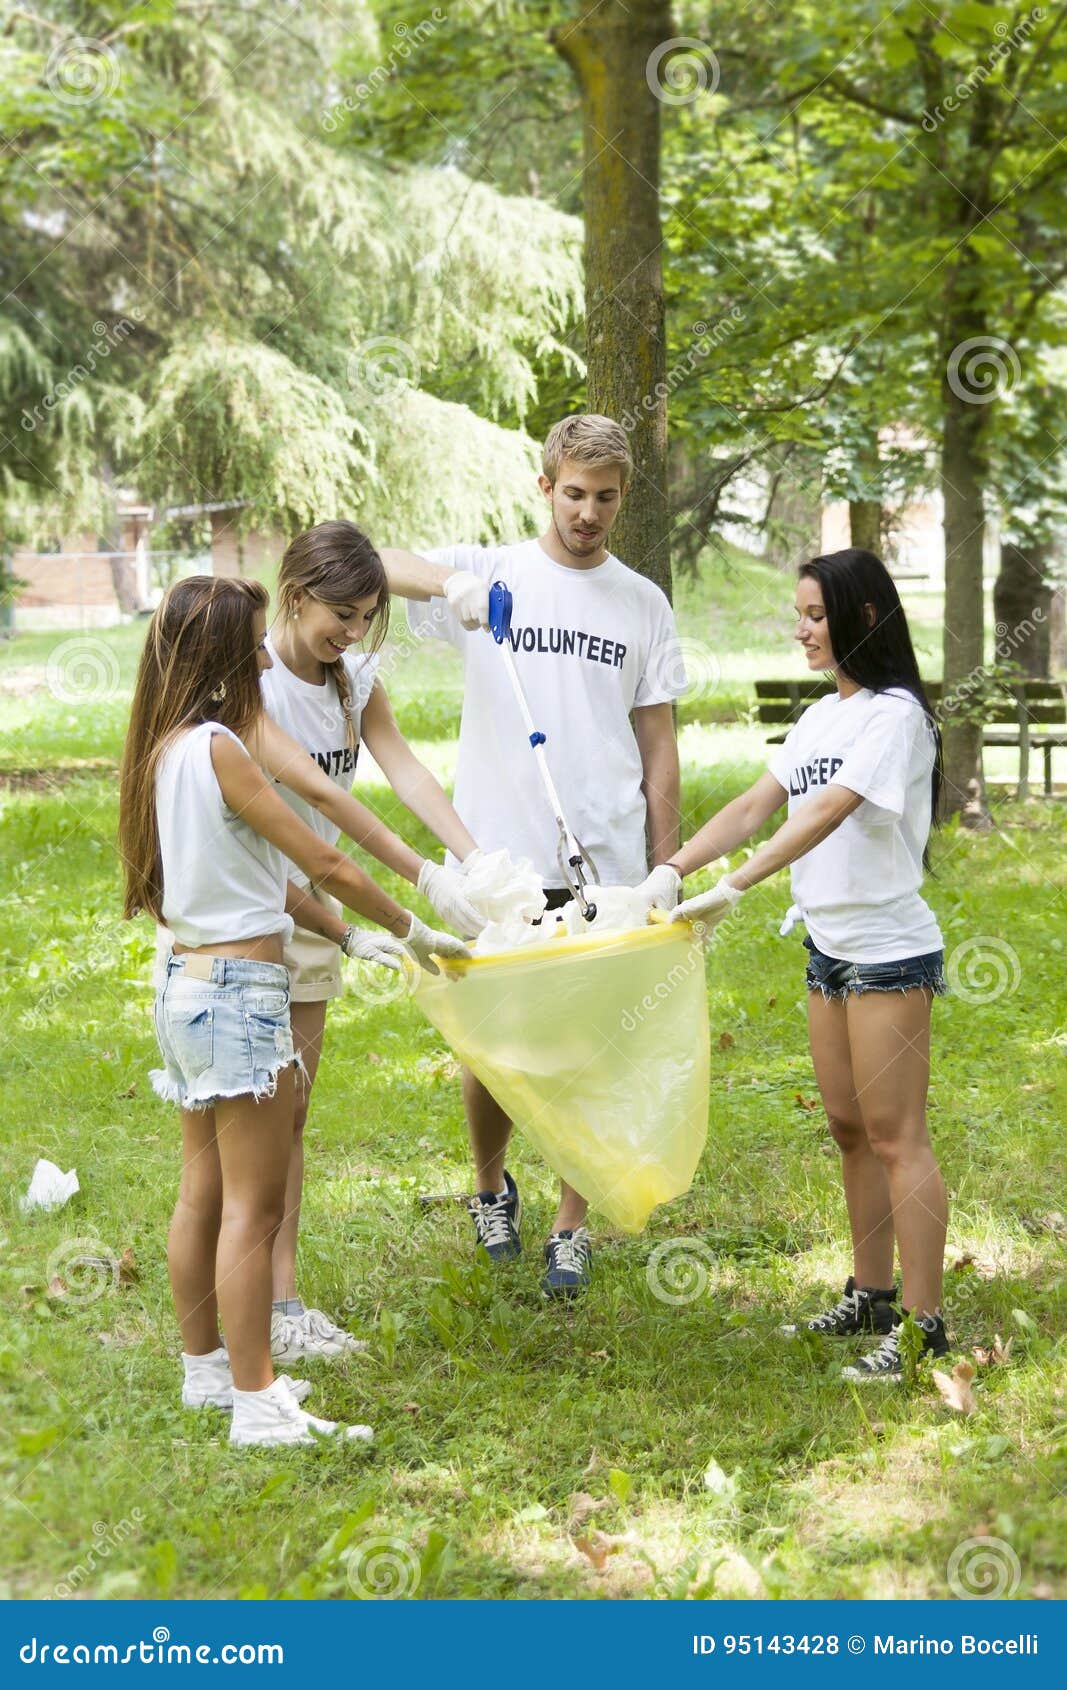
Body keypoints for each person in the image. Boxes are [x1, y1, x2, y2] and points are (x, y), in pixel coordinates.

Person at [119, 576, 468, 1448]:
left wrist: (344, 940)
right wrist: (411, 926)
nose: (255, 656)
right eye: (243, 643)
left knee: (203, 1189)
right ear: (218, 656)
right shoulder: (227, 748)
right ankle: (258, 1402)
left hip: (188, 989)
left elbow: (265, 879)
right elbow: (324, 857)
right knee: (255, 1208)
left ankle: (207, 1372)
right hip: (241, 998)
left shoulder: (168, 748)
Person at [380, 414, 687, 1299]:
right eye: (574, 493)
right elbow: (364, 558)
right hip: (497, 858)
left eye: (605, 498)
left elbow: (657, 741)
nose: (588, 513)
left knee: (588, 1044)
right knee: (494, 1042)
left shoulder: (640, 603)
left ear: (621, 499)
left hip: (605, 854)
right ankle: (488, 1187)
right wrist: (453, 587)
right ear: (545, 485)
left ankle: (570, 1227)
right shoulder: (496, 574)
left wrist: (664, 867)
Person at [661, 548, 950, 1381]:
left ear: (862, 617)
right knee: (848, 1129)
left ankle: (925, 1325)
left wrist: (738, 884)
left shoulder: (893, 717)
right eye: (797, 615)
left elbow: (829, 809)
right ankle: (870, 1295)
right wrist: (673, 869)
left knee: (897, 1137)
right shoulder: (825, 717)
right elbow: (759, 802)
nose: (800, 631)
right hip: (827, 950)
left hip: (888, 951)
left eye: (815, 616)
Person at [257, 520, 491, 1363]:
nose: (352, 634)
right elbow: (323, 809)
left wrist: (471, 860)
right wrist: (418, 890)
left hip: (317, 902)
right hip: (253, 896)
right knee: (247, 1115)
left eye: (366, 618)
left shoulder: (352, 683)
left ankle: (280, 1303)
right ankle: (248, 1303)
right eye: (341, 616)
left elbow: (406, 772)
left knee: (291, 1111)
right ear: (295, 594)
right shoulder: (248, 677)